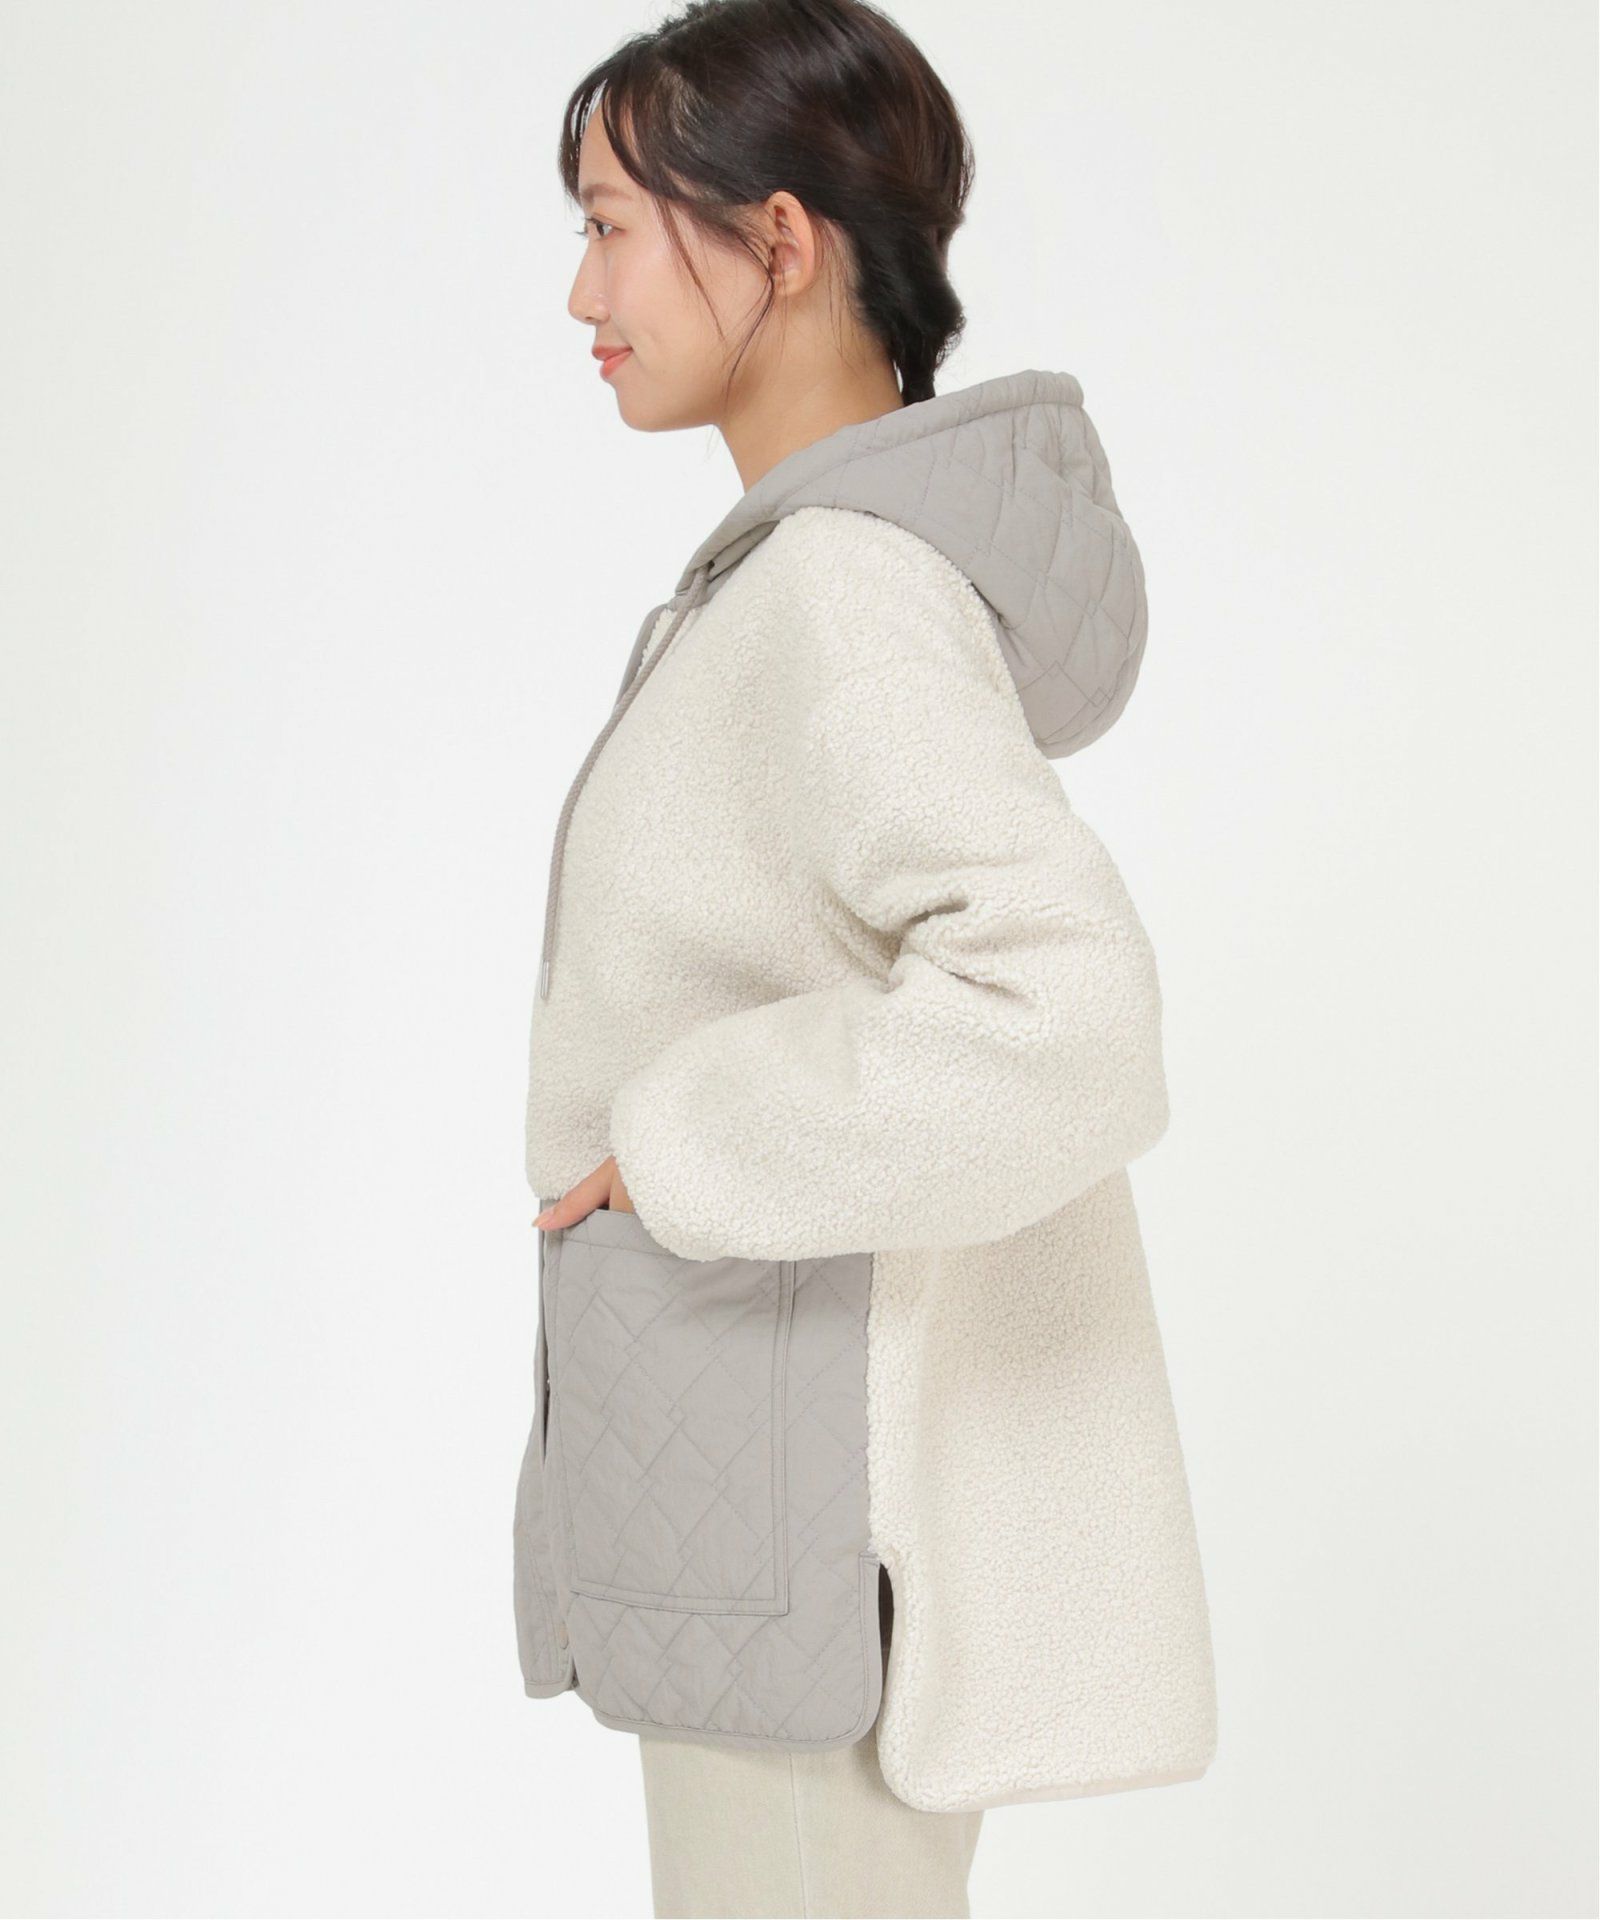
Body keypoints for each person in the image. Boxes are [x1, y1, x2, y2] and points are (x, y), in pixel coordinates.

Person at [512, 2, 1218, 1913]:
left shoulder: (843, 590)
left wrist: (675, 1147)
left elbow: (1070, 1015)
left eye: (612, 226)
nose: (583, 290)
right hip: (761, 1476)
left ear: (780, 241)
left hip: (810, 1502)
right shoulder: (795, 579)